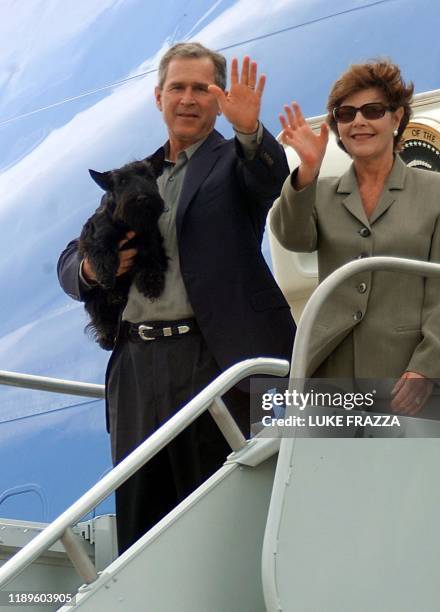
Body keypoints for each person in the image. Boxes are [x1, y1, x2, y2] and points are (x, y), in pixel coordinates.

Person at [58, 42, 295, 554]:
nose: (188, 99)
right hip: (137, 369)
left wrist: (251, 132)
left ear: (218, 98)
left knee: (217, 518)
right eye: (177, 88)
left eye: (201, 89)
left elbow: (270, 181)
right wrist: (92, 270)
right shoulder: (132, 176)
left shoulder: (235, 161)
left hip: (212, 360)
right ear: (158, 97)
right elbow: (70, 263)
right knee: (143, 524)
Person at [270, 59, 440, 415]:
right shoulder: (322, 192)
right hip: (333, 377)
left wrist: (427, 366)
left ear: (396, 118)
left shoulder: (437, 190)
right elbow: (292, 237)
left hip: (409, 377)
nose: (359, 121)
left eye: (372, 110)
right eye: (346, 114)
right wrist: (306, 172)